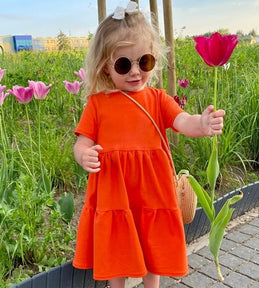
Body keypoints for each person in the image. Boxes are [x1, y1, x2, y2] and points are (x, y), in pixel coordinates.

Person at [72, 2, 225, 288]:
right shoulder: (97, 104)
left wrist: (202, 125)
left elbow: (182, 121)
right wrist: (84, 155)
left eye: (144, 62)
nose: (134, 72)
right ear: (106, 66)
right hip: (115, 194)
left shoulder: (157, 98)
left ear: (153, 59)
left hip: (152, 193)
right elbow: (82, 142)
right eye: (123, 64)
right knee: (117, 249)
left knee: (151, 247)